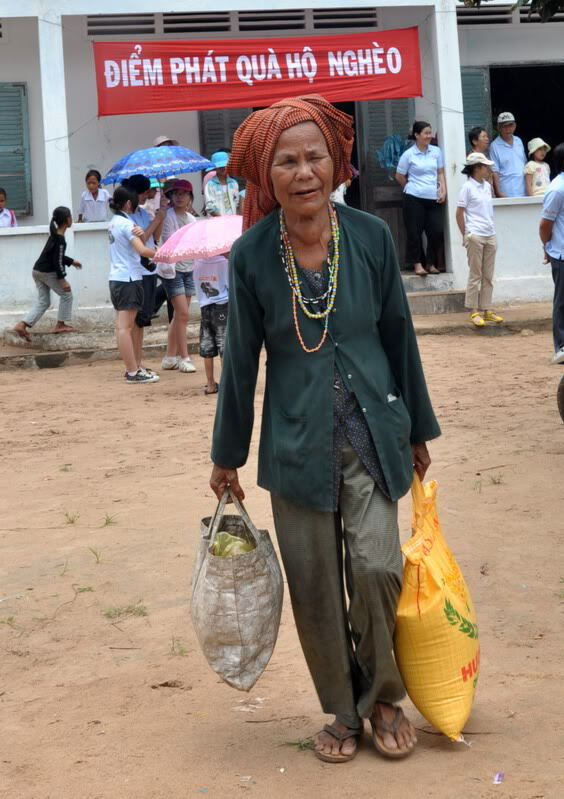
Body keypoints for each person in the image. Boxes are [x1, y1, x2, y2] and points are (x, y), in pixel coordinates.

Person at [209, 95, 441, 764]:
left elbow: (399, 334)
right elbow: (241, 363)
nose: (304, 171)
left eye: (315, 157)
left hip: (375, 428)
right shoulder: (252, 255)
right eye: (287, 160)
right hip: (295, 441)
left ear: (337, 164)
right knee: (312, 581)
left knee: (375, 565)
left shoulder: (368, 236)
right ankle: (343, 708)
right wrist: (228, 453)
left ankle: (385, 695)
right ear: (265, 174)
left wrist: (418, 427)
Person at [107, 186, 159, 384]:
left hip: (117, 278)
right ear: (129, 203)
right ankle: (132, 371)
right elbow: (142, 251)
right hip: (129, 278)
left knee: (124, 327)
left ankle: (134, 368)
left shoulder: (114, 223)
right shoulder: (127, 224)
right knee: (125, 328)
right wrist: (163, 253)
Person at [12, 207, 82, 341]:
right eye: (70, 217)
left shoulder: (54, 235)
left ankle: (22, 325)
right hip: (46, 272)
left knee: (44, 301)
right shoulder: (60, 239)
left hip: (37, 271)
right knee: (67, 294)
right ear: (67, 220)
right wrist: (62, 280)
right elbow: (57, 261)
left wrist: (71, 261)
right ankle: (60, 325)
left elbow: (55, 256)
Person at [456, 153, 503, 328]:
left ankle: (486, 309)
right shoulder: (467, 187)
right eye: (485, 166)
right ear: (477, 168)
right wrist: (466, 234)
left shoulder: (487, 186)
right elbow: (459, 213)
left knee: (488, 275)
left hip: (490, 234)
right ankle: (474, 311)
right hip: (475, 235)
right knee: (475, 274)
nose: (489, 169)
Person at [395, 120, 446, 276]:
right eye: (426, 133)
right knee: (414, 233)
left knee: (436, 231)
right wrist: (409, 188)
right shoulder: (408, 154)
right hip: (414, 198)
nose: (429, 136)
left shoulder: (436, 151)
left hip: (433, 198)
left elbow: (440, 173)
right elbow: (399, 176)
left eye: (430, 133)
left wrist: (443, 189)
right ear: (416, 135)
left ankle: (430, 263)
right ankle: (418, 265)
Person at [157, 179, 197, 373]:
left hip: (189, 268)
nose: (180, 196)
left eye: (184, 193)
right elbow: (169, 241)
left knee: (179, 316)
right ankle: (184, 357)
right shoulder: (168, 216)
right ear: (171, 196)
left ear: (190, 197)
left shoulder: (192, 220)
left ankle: (169, 357)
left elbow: (194, 244)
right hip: (172, 271)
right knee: (182, 314)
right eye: (176, 193)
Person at [121, 175, 167, 336]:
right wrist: (157, 220)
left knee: (144, 318)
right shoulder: (127, 216)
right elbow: (142, 239)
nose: (147, 196)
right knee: (136, 318)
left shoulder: (142, 212)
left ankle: (138, 360)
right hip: (138, 269)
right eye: (145, 193)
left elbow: (154, 237)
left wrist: (161, 216)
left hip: (149, 267)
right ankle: (134, 360)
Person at [539, 142, 564, 365]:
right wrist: (547, 247)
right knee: (562, 301)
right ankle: (561, 346)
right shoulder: (557, 189)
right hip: (562, 254)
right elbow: (545, 225)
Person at [192, 254, 229, 394]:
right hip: (223, 306)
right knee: (224, 347)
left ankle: (210, 384)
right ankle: (227, 384)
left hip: (205, 307)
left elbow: (197, 287)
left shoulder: (197, 263)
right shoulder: (224, 262)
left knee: (208, 347)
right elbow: (229, 285)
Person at [490, 112, 526, 198]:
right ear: (499, 128)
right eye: (504, 126)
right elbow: (495, 171)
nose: (508, 129)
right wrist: (499, 192)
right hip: (507, 192)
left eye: (510, 125)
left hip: (523, 190)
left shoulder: (518, 141)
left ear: (515, 126)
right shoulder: (494, 146)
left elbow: (525, 164)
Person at [204, 152, 239, 216]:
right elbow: (210, 208)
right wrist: (221, 219)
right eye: (219, 166)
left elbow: (237, 204)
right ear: (215, 168)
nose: (223, 168)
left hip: (233, 220)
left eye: (225, 165)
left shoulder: (234, 183)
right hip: (217, 222)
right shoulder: (210, 185)